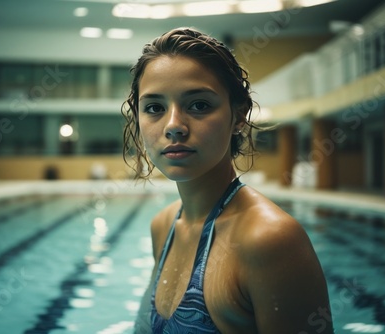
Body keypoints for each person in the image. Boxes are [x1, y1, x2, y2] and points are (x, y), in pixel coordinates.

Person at [122, 27, 333, 334]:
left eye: (199, 105)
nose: (174, 126)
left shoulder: (269, 240)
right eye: (154, 108)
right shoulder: (164, 226)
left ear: (239, 116)